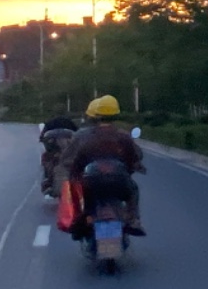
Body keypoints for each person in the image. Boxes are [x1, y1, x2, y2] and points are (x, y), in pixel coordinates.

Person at [62, 94, 145, 234]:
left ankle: (78, 219)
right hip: (119, 181)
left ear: (93, 117)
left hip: (90, 182)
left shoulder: (84, 136)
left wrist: (73, 173)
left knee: (75, 191)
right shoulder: (123, 136)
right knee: (133, 189)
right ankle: (133, 220)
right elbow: (135, 157)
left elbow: (72, 160)